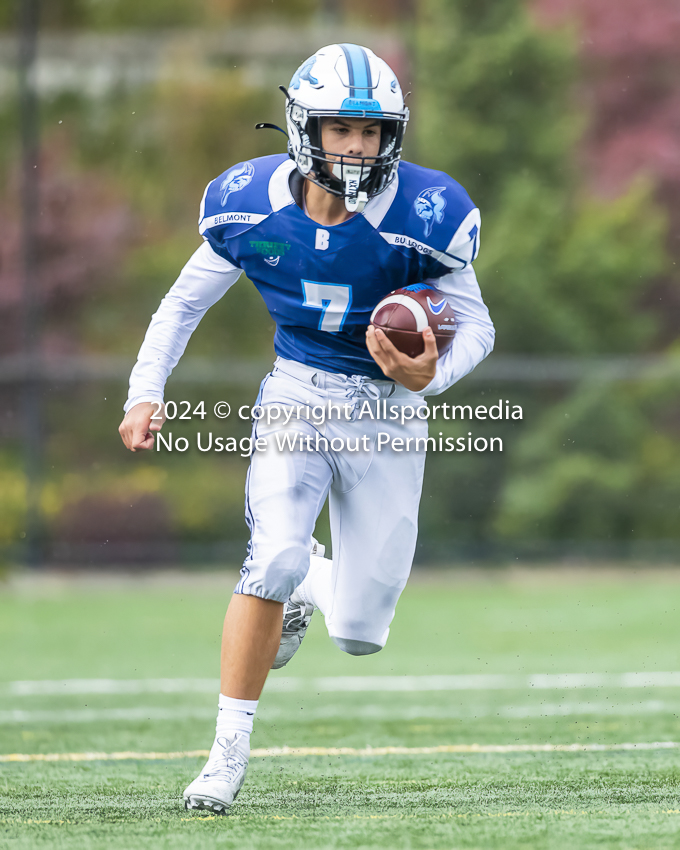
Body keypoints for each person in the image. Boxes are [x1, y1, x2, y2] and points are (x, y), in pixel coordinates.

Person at [118, 43, 494, 814]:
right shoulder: (249, 204)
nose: (357, 147)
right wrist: (145, 391)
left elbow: (478, 323)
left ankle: (307, 586)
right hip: (295, 395)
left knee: (359, 631)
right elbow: (182, 304)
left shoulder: (427, 213)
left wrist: (433, 373)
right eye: (340, 129)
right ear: (303, 127)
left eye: (371, 132)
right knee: (273, 554)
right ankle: (224, 757)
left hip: (387, 413)